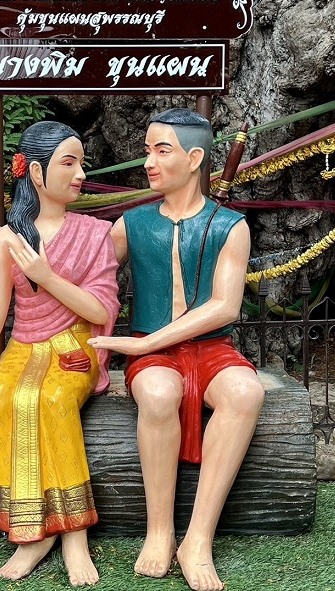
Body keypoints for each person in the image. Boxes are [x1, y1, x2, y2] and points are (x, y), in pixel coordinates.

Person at [0, 121, 119, 587]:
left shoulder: (95, 233)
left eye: (81, 163)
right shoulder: (7, 239)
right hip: (23, 345)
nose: (80, 174)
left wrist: (48, 276)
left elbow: (100, 310)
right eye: (68, 163)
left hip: (74, 344)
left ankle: (74, 534)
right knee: (1, 396)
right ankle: (31, 532)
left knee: (52, 399)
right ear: (35, 171)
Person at [87, 108, 265, 591]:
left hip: (209, 347)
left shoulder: (231, 226)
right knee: (159, 392)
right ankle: (160, 530)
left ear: (194, 158)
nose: (148, 162)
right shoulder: (132, 223)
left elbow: (225, 307)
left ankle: (198, 539)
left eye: (161, 151)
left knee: (245, 392)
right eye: (147, 151)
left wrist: (144, 341)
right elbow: (83, 269)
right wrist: (15, 248)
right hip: (153, 357)